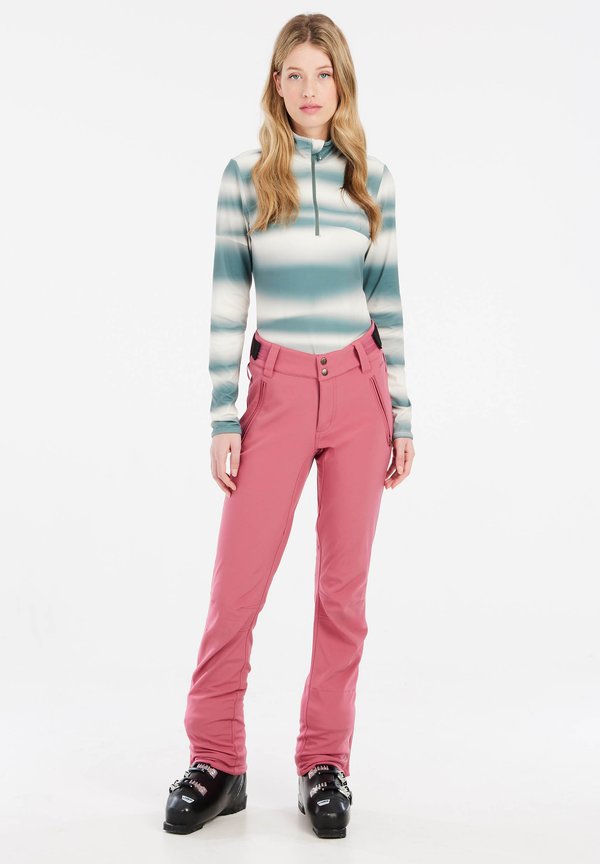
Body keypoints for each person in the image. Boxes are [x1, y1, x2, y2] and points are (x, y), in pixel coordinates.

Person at [163, 12, 415, 840]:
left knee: (343, 594)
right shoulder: (246, 177)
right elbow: (226, 300)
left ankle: (324, 764)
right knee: (236, 585)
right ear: (276, 84)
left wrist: (402, 413)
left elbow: (388, 303)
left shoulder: (370, 180)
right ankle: (217, 761)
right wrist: (221, 413)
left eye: (323, 74)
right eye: (295, 74)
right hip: (273, 392)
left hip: (358, 392)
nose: (310, 89)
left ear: (342, 83)